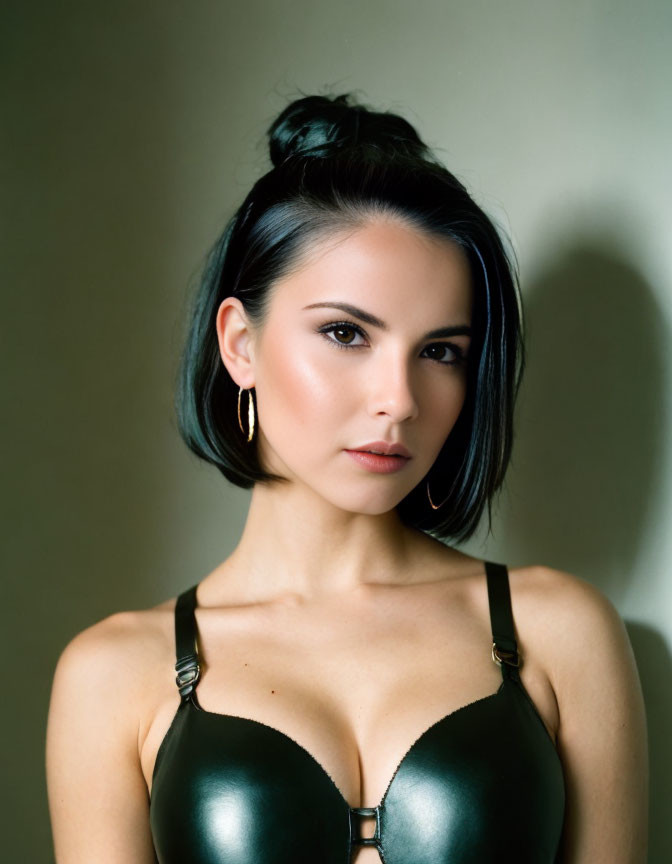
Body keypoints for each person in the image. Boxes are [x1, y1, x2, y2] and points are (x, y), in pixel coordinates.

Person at [46, 92, 648, 863]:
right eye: (345, 333)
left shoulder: (559, 635)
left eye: (441, 352)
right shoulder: (113, 675)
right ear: (240, 344)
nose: (398, 401)